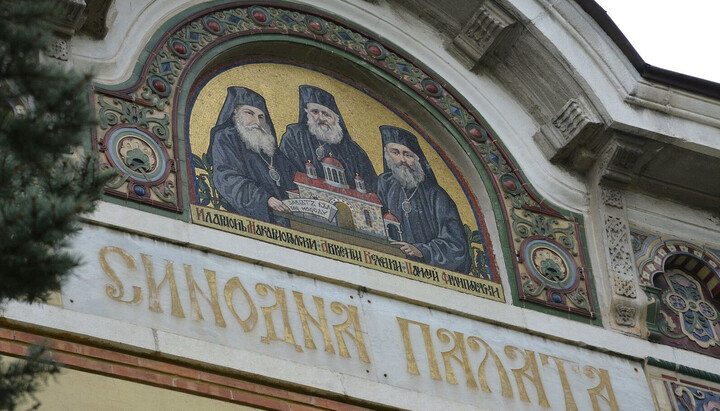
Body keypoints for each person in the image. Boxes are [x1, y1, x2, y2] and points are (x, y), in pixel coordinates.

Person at [376, 125, 471, 273]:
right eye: (395, 152)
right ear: (387, 155)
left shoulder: (436, 195)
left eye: (408, 155)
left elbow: (457, 246)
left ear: (418, 159)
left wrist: (421, 250)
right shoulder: (384, 185)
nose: (402, 160)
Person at [207, 87, 295, 225]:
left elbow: (291, 175)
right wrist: (265, 199)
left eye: (261, 117)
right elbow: (227, 177)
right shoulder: (226, 137)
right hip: (247, 219)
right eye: (250, 113)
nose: (257, 122)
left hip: (285, 220)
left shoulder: (268, 145)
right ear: (235, 114)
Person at [279, 85, 378, 192]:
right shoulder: (295, 135)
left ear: (336, 119)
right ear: (307, 113)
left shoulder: (354, 151)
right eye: (315, 112)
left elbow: (371, 186)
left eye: (326, 114)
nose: (321, 118)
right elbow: (285, 171)